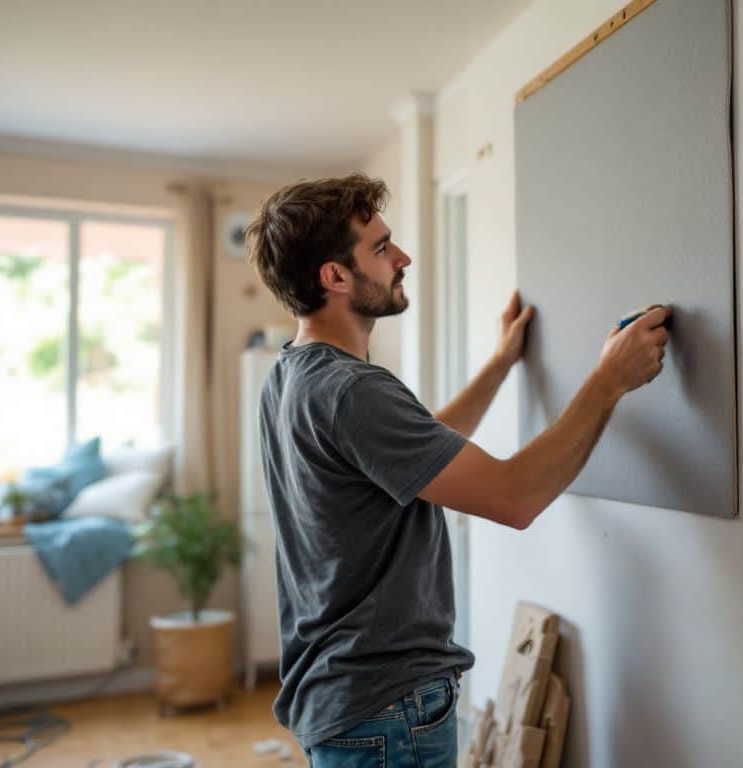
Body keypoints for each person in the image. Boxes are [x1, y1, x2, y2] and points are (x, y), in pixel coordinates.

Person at [247, 173, 670, 767]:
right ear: (335, 277)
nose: (403, 258)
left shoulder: (293, 375)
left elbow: (418, 450)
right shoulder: (352, 390)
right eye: (381, 247)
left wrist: (501, 364)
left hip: (348, 704)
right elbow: (515, 497)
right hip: (387, 709)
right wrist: (609, 381)